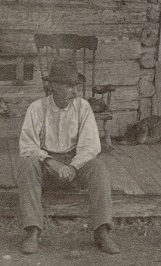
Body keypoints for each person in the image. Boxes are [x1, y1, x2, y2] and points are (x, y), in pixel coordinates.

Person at [16, 60, 120, 255]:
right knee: (27, 165)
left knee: (99, 168)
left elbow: (91, 146)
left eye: (75, 86)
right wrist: (50, 161)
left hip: (74, 165)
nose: (74, 91)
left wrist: (73, 166)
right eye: (68, 85)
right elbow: (27, 145)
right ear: (53, 86)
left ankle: (102, 231)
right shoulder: (37, 108)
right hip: (47, 166)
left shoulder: (83, 107)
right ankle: (33, 231)